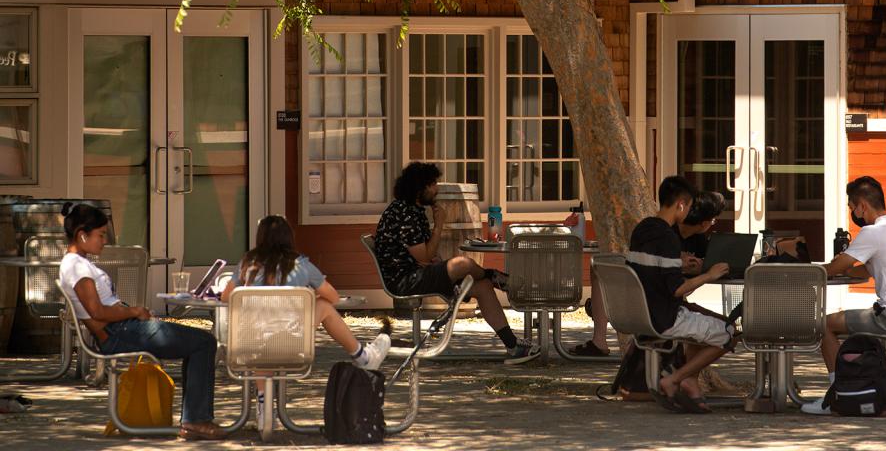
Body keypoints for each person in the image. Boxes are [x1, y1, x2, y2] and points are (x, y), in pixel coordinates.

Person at [56, 203, 227, 440]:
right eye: (101, 235)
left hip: (124, 328)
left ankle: (195, 418)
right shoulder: (75, 266)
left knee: (198, 341)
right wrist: (134, 311)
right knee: (204, 343)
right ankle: (196, 420)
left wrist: (136, 313)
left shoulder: (79, 263)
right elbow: (97, 311)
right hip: (119, 333)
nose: (105, 241)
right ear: (82, 235)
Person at [222, 215, 391, 425]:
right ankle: (362, 356)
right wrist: (309, 296)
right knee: (323, 305)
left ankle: (264, 404)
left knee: (261, 335)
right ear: (289, 238)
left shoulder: (247, 264)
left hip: (249, 346)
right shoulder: (301, 266)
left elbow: (226, 296)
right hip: (292, 344)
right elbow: (334, 297)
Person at [373, 162, 538, 363]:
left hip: (419, 273)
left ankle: (513, 346)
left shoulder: (415, 211)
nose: (436, 188)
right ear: (419, 188)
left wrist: (436, 260)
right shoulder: (404, 212)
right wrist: (440, 224)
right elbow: (423, 256)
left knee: (483, 287)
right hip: (405, 279)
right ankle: (499, 279)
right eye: (432, 184)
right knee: (463, 264)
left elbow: (427, 255)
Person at [802, 176, 886, 416]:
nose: (853, 213)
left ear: (862, 206)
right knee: (832, 322)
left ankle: (838, 394)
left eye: (852, 208)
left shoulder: (873, 231)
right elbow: (869, 269)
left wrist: (810, 274)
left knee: (823, 324)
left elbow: (837, 266)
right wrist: (846, 266)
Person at [572, 189, 728, 357]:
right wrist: (681, 266)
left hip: (650, 307)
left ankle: (682, 372)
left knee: (716, 323)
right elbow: (674, 285)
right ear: (704, 222)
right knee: (728, 331)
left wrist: (699, 268)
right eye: (712, 221)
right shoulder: (664, 234)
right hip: (656, 311)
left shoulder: (694, 238)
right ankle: (682, 375)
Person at [627, 176, 734, 414]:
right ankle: (675, 379)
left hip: (640, 312)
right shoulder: (667, 237)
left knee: (706, 324)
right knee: (729, 333)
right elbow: (677, 289)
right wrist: (709, 274)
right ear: (682, 205)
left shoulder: (642, 228)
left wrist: (680, 265)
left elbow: (653, 270)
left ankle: (689, 381)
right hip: (664, 316)